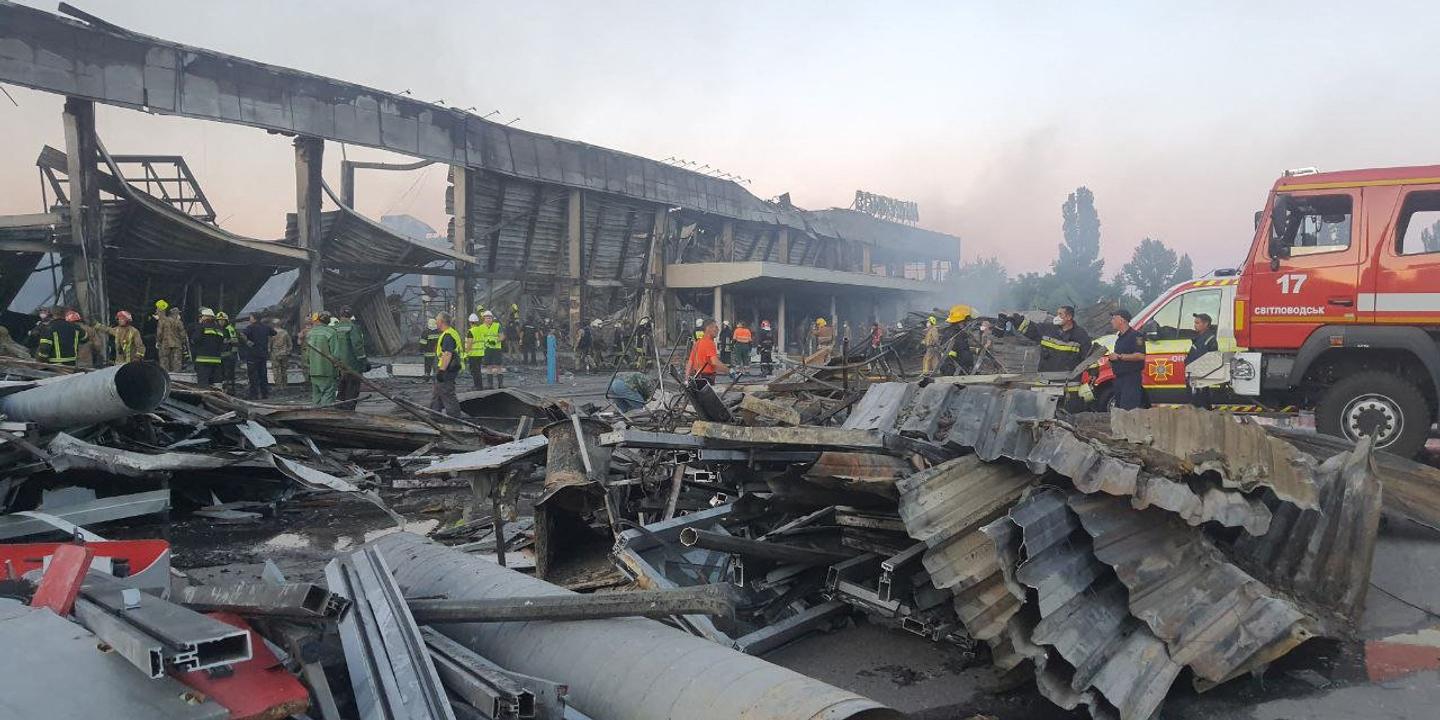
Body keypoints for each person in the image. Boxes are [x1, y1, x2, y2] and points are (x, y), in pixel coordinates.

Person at [1012, 305, 1093, 373]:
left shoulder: (1080, 335)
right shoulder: (1048, 329)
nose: (1057, 317)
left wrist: (1093, 372)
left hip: (1069, 385)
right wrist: (1017, 321)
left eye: (1060, 314)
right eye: (1057, 314)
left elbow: (1088, 356)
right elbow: (1031, 329)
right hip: (1045, 383)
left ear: (1069, 317)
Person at [1106, 309, 1146, 410]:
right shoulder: (1119, 338)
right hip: (1119, 379)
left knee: (1128, 410)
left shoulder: (1136, 336)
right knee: (1120, 409)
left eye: (1114, 318)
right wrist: (1112, 360)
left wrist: (1119, 356)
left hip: (1131, 379)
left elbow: (1141, 355)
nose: (1111, 321)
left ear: (1122, 320)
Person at [333, 307, 368, 407]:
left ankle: (339, 410)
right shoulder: (353, 327)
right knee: (352, 390)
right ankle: (349, 411)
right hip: (353, 365)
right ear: (351, 315)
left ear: (340, 314)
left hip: (339, 365)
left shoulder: (335, 328)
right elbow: (357, 346)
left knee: (341, 389)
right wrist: (364, 361)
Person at [430, 312, 463, 416]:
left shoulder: (448, 335)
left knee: (447, 393)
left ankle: (455, 417)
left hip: (447, 370)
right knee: (438, 392)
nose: (436, 322)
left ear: (441, 321)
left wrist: (441, 370)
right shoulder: (451, 333)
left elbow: (447, 354)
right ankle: (434, 414)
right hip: (449, 368)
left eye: (437, 320)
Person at [306, 311, 340, 406]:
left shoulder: (310, 333)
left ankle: (315, 416)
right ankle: (326, 416)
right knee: (328, 395)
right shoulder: (331, 332)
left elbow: (307, 354)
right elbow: (335, 354)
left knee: (316, 396)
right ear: (328, 321)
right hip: (327, 370)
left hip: (314, 370)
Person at [1186, 313, 1219, 408]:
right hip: (1194, 375)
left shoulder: (1209, 339)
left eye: (1197, 323)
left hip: (1201, 377)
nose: (1195, 325)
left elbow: (1211, 358)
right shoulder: (1199, 337)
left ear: (1206, 324)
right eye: (1195, 323)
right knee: (1195, 401)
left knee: (1201, 402)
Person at [240, 314, 275, 400]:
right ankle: (265, 394)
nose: (249, 319)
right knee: (263, 375)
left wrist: (247, 341)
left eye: (250, 317)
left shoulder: (250, 327)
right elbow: (274, 333)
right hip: (263, 355)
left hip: (252, 355)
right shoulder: (266, 327)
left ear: (254, 318)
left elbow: (241, 334)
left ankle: (254, 395)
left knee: (252, 375)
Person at [686, 319, 728, 387]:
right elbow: (715, 362)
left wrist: (687, 379)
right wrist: (729, 371)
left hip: (697, 378)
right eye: (716, 327)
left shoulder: (697, 343)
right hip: (707, 378)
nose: (717, 330)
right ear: (708, 328)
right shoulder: (709, 343)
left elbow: (690, 362)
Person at [191, 308, 227, 386]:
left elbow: (195, 340)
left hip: (203, 360)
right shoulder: (219, 329)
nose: (201, 318)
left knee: (203, 383)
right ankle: (218, 396)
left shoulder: (201, 327)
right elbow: (222, 343)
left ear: (206, 317)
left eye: (202, 316)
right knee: (216, 382)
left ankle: (204, 396)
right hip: (216, 360)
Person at [157, 307, 187, 372]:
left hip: (165, 344)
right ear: (176, 314)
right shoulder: (179, 322)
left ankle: (165, 374)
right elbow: (183, 334)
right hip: (177, 344)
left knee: (164, 360)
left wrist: (158, 341)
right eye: (178, 313)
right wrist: (183, 342)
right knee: (177, 361)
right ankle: (176, 377)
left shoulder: (162, 321)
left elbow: (159, 333)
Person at [216, 311, 239, 393]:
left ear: (226, 321)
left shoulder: (229, 328)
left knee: (229, 374)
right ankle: (223, 390)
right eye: (219, 320)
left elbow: (235, 342)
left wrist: (233, 354)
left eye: (223, 320)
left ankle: (231, 390)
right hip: (220, 356)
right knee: (221, 375)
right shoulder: (217, 329)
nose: (221, 322)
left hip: (229, 356)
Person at [269, 318, 293, 390]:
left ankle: (278, 386)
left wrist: (269, 351)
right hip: (284, 353)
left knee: (276, 370)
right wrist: (288, 351)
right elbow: (290, 344)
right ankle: (285, 385)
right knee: (284, 370)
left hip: (275, 354)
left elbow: (269, 345)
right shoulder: (285, 332)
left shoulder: (272, 333)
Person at [465, 313, 486, 389]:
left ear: (470, 322)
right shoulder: (480, 330)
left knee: (474, 371)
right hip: (480, 353)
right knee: (478, 371)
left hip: (473, 354)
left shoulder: (471, 331)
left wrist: (466, 354)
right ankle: (479, 385)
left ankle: (477, 386)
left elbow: (469, 344)